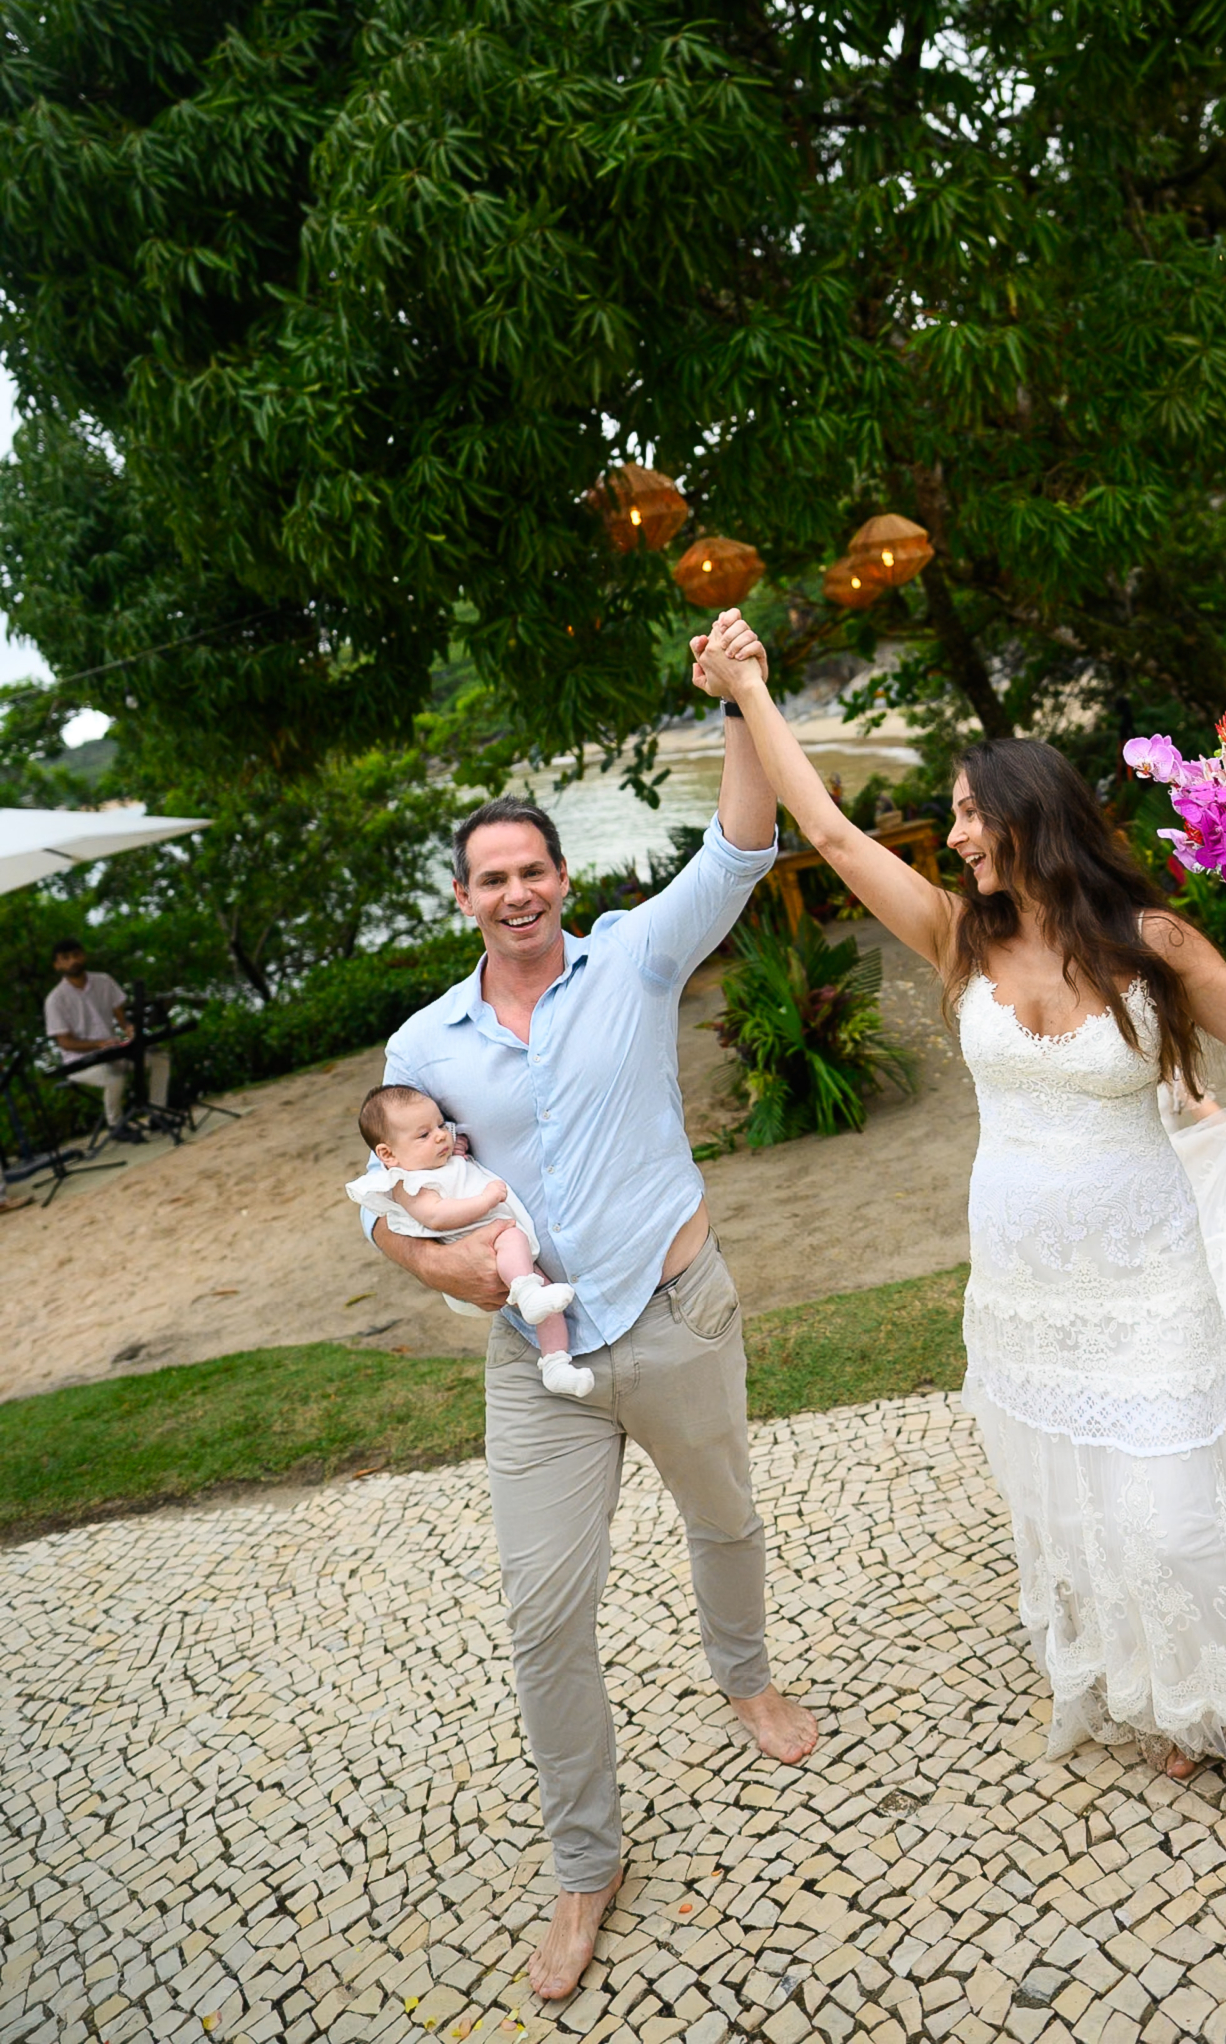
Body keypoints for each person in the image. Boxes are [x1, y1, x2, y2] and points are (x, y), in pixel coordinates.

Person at [693, 608, 1226, 1813]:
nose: (949, 835)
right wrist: (747, 692)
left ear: (1027, 816)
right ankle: (1172, 1698)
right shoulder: (956, 939)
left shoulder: (1150, 940)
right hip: (1024, 1287)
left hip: (1147, 1282)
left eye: (963, 811)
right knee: (1087, 1508)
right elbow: (829, 831)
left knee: (1173, 1517)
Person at [361, 744, 817, 2004]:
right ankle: (584, 1858)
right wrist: (427, 1263)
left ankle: (745, 1678)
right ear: (461, 899)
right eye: (489, 877)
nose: (515, 892)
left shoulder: (634, 958)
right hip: (537, 1366)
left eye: (532, 869)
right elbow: (377, 1199)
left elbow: (736, 848)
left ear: (562, 878)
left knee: (725, 1519)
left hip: (676, 1310)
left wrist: (737, 709)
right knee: (541, 1611)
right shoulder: (425, 1045)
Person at [347, 1084, 592, 1396]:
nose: (439, 1136)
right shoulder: (407, 1183)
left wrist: (455, 1147)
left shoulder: (440, 1160)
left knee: (549, 1308)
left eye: (440, 1126)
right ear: (387, 1154)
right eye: (424, 1135)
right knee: (513, 1241)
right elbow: (436, 1215)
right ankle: (527, 1292)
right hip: (485, 1244)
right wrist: (486, 1200)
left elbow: (457, 1165)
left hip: (506, 1248)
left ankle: (557, 1365)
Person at [44, 937, 171, 1138]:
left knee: (160, 1059)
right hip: (80, 1063)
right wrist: (99, 1043)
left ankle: (157, 1114)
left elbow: (122, 1020)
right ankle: (116, 1126)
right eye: (65, 958)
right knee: (114, 1078)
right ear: (57, 965)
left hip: (113, 1052)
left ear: (83, 955)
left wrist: (130, 1030)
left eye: (76, 955)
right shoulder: (55, 1000)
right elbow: (64, 1042)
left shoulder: (103, 980)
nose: (72, 961)